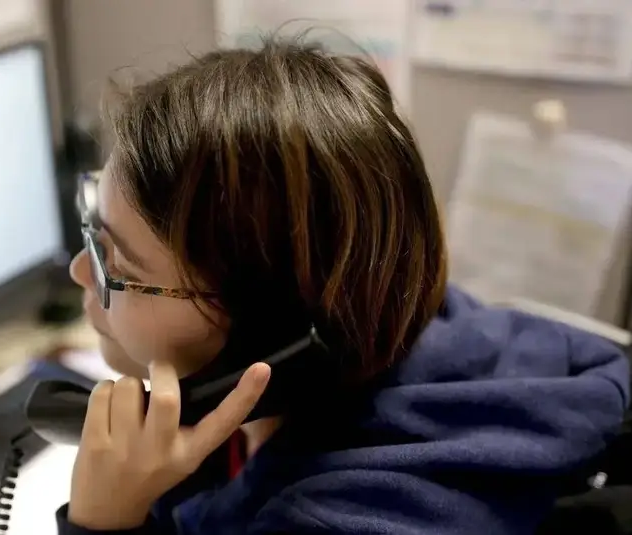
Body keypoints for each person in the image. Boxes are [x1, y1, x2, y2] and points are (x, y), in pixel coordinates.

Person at [57, 39, 631, 535]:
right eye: (93, 230)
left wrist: (104, 519)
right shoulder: (389, 315)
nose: (81, 271)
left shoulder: (342, 518)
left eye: (118, 266)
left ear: (272, 336)